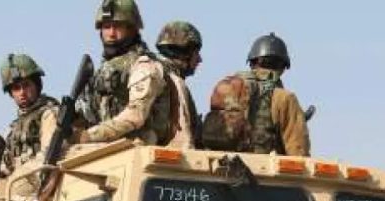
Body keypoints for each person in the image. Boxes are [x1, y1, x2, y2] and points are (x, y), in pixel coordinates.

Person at [75, 0, 171, 146]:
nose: (111, 34)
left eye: (118, 27)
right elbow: (85, 115)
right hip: (104, 151)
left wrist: (88, 136)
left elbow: (135, 116)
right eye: (107, 27)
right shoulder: (100, 74)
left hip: (138, 148)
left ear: (132, 29)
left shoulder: (144, 66)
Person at [205, 34, 310, 156]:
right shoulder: (284, 98)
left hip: (219, 167)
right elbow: (298, 151)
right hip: (261, 171)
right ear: (282, 67)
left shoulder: (229, 87)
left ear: (252, 62)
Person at [1, 54, 59, 176]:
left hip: (42, 176)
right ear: (11, 93)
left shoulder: (49, 114)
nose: (22, 92)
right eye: (16, 88)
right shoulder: (13, 129)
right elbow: (6, 168)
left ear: (37, 85)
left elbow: (49, 155)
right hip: (21, 182)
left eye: (26, 85)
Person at [155, 21, 203, 149]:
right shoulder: (175, 82)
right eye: (196, 53)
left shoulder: (150, 72)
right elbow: (183, 143)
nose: (199, 59)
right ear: (185, 52)